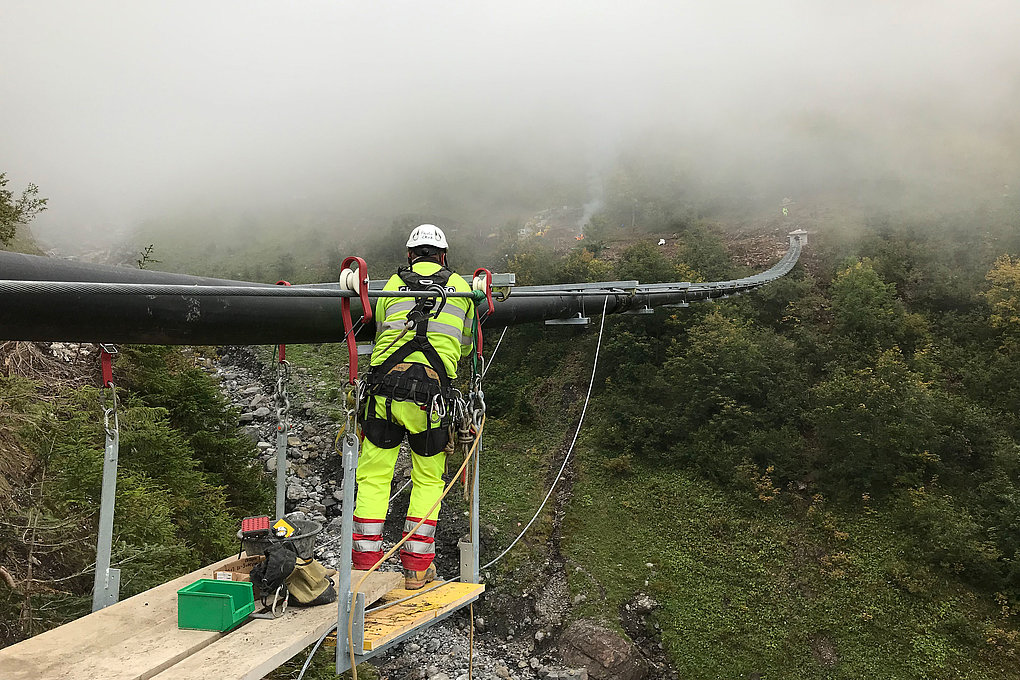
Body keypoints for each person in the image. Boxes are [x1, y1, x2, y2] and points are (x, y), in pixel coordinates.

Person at [352, 224, 475, 589]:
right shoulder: (463, 290)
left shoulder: (391, 285)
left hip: (384, 395)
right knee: (427, 479)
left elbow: (379, 334)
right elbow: (466, 346)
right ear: (444, 257)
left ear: (410, 255)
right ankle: (417, 569)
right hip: (431, 400)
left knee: (374, 477)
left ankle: (365, 567)